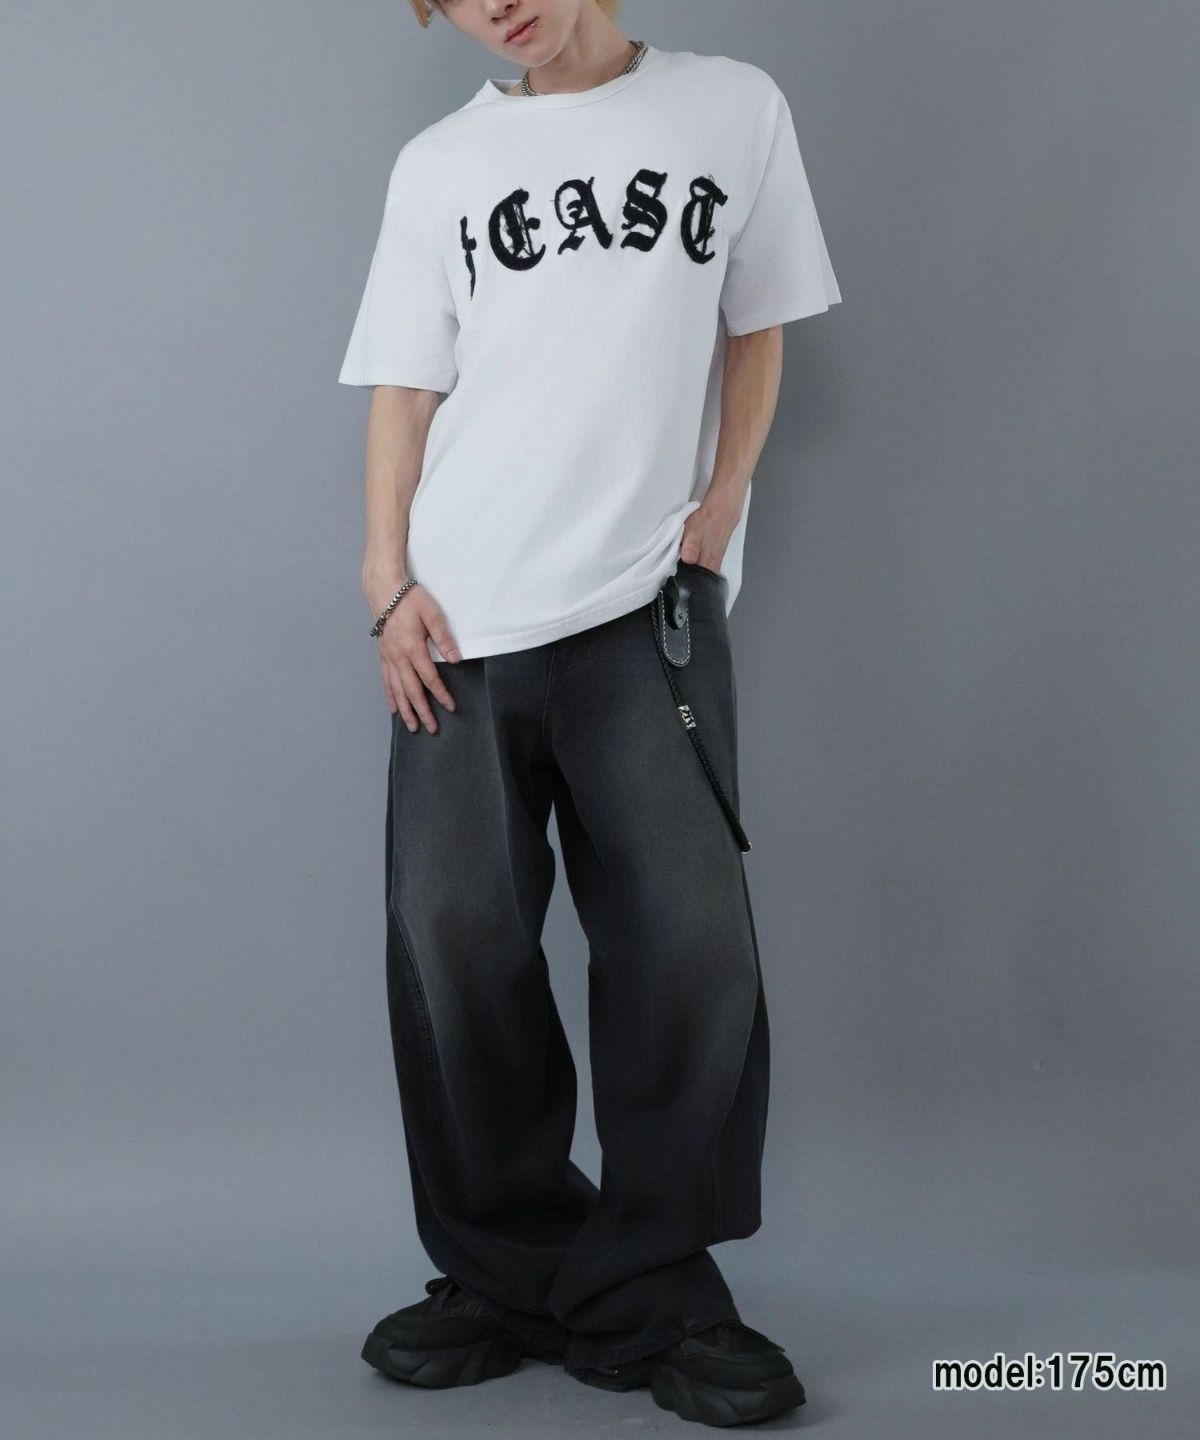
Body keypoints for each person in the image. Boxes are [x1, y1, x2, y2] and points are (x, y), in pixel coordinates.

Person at [336, 0, 841, 1425]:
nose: (493, 1)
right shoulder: (440, 166)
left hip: (645, 611)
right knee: (457, 948)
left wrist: (723, 501)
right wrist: (384, 581)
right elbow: (404, 391)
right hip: (458, 618)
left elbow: (758, 327)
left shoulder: (732, 108)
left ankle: (654, 1285)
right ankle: (506, 1271)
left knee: (687, 952)